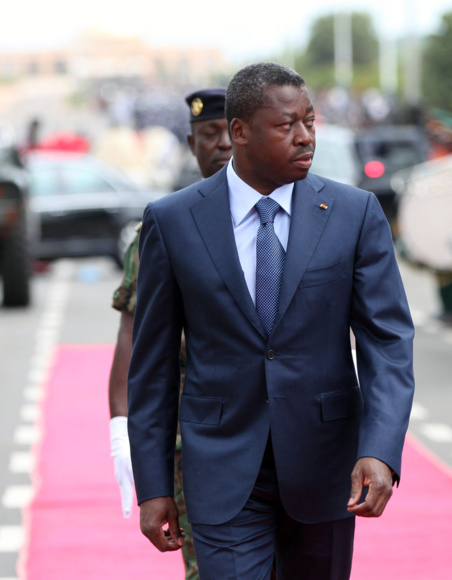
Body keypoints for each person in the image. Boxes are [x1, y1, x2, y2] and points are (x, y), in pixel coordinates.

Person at [127, 63, 415, 579]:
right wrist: (152, 486)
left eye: (310, 121)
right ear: (240, 132)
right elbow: (152, 365)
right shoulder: (172, 221)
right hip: (222, 469)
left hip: (326, 467)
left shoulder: (355, 213)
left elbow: (387, 343)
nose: (305, 137)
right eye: (287, 125)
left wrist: (381, 451)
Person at [108, 87, 231, 580]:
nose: (221, 144)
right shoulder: (163, 228)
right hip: (192, 435)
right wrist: (122, 431)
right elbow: (133, 341)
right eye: (208, 134)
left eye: (229, 132)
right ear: (191, 142)